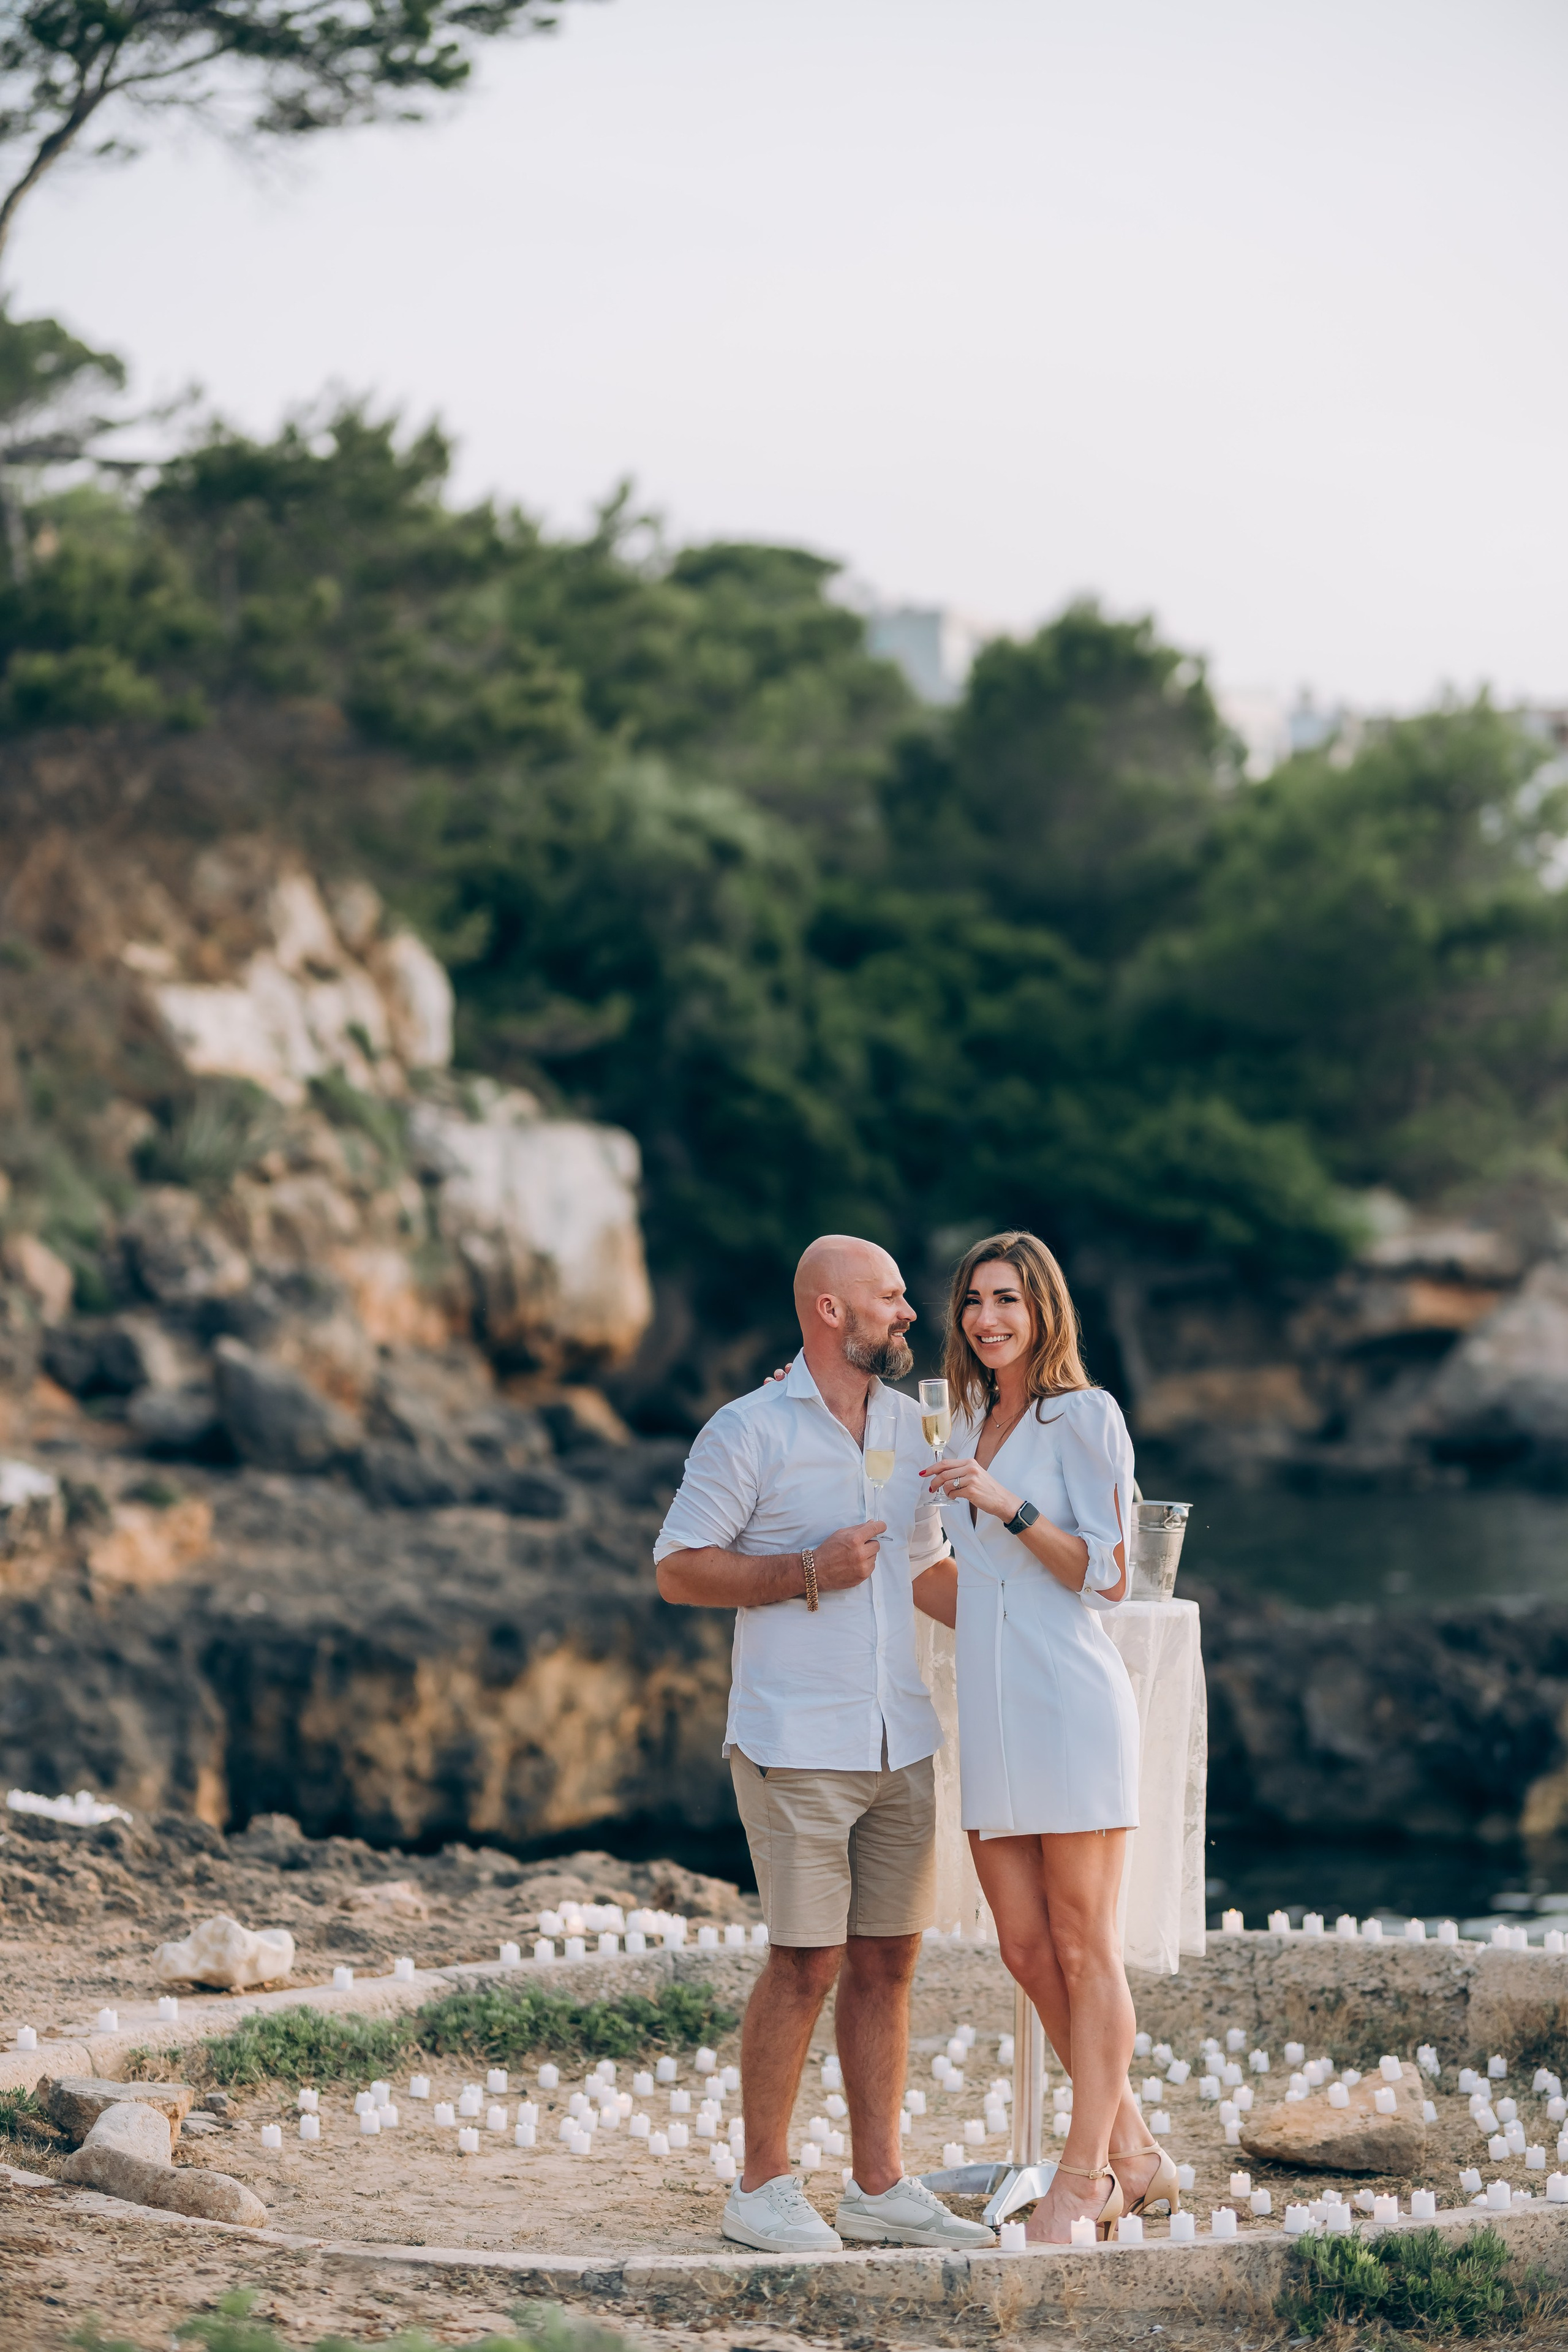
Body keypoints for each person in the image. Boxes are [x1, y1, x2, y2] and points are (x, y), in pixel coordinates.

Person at [654, 1234, 995, 2256]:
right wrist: (805, 1569)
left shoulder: (916, 1424)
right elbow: (678, 1569)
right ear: (830, 1311)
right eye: (889, 1297)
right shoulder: (747, 1429)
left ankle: (879, 2188)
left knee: (889, 1961)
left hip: (900, 1733)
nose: (908, 1313)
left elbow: (923, 1570)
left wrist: (1022, 1620)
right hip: (795, 1740)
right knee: (806, 1962)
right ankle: (760, 2189)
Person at [911, 1229, 1174, 2245]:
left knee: (1083, 1944)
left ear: (1044, 1310)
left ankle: (1084, 2177)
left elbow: (1107, 1575)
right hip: (994, 1707)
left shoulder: (1084, 1416)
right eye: (975, 1300)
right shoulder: (964, 1417)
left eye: (1008, 1300)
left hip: (1069, 1704)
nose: (988, 1318)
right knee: (1025, 1948)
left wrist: (1006, 1503)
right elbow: (968, 1589)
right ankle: (1140, 2156)